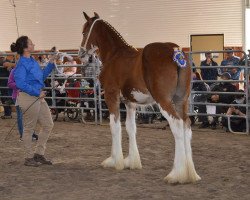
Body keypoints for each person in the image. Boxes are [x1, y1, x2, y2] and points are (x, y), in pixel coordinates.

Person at [11, 36, 58, 167]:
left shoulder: (32, 60)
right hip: (29, 97)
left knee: (48, 124)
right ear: (26, 48)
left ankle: (39, 154)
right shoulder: (21, 64)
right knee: (29, 129)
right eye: (31, 43)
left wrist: (51, 63)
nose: (34, 44)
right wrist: (37, 92)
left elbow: (41, 77)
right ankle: (28, 157)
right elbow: (20, 83)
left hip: (38, 96)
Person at [8, 68, 38, 141]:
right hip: (18, 96)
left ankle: (30, 133)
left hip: (30, 95)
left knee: (30, 115)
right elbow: (10, 83)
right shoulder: (15, 70)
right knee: (20, 116)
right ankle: (23, 135)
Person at [0, 51, 15, 119]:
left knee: (6, 97)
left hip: (5, 83)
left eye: (2, 57)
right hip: (3, 82)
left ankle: (8, 113)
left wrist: (9, 64)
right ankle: (7, 113)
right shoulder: (6, 61)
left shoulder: (6, 61)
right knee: (4, 98)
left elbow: (7, 64)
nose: (1, 58)